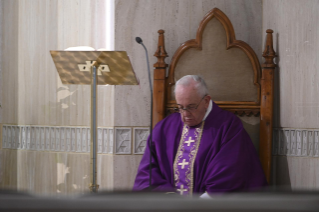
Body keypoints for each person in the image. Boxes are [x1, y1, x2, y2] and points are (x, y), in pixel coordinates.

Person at [133, 75, 267, 196]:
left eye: (191, 107)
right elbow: (147, 174)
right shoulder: (164, 128)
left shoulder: (228, 126)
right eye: (180, 107)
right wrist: (169, 198)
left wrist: (199, 205)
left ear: (206, 101)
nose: (185, 114)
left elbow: (231, 172)